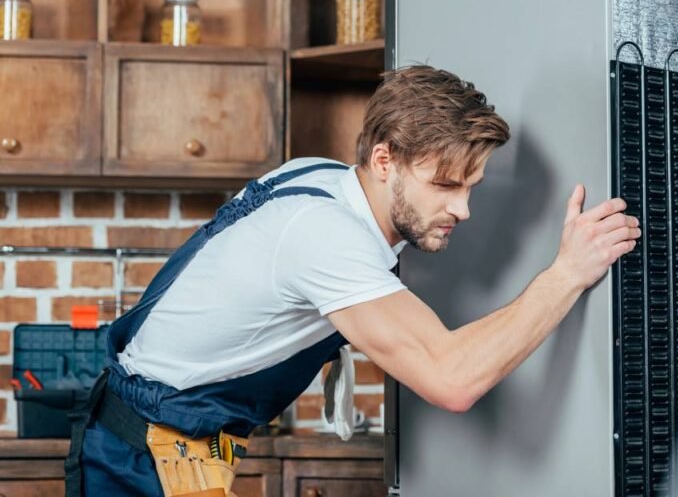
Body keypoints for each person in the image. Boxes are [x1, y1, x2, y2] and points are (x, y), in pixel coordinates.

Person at [64, 65, 641, 496]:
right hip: (140, 459)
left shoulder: (321, 176)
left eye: (472, 187)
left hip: (159, 443)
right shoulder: (325, 234)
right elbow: (452, 378)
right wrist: (566, 273)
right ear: (385, 160)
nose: (464, 209)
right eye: (444, 185)